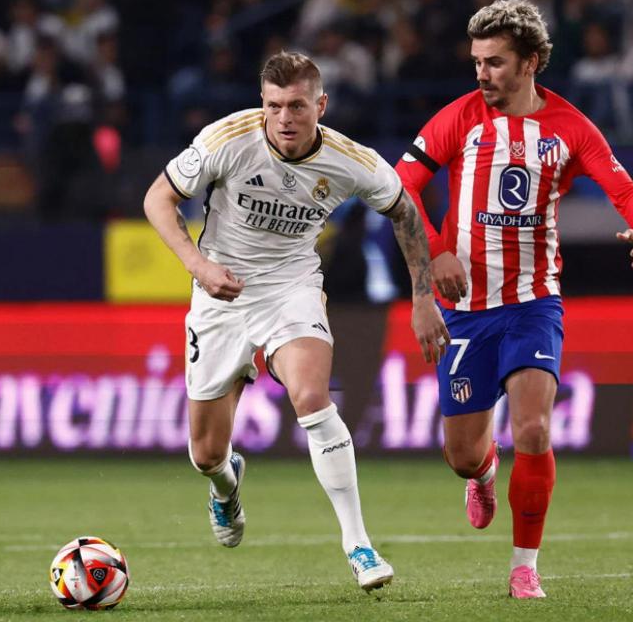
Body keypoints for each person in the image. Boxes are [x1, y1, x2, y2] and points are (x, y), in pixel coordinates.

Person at [144, 51, 449, 592]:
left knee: (312, 398)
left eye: (297, 106)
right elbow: (158, 198)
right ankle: (225, 486)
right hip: (219, 294)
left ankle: (358, 544)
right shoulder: (227, 139)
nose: (284, 117)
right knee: (206, 453)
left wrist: (422, 298)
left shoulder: (350, 160)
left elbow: (404, 210)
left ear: (320, 105)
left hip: (291, 287)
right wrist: (199, 264)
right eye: (274, 105)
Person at [395, 0, 633, 599]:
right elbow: (401, 183)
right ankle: (483, 475)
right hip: (467, 308)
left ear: (531, 62)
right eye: (477, 62)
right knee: (462, 454)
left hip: (533, 301)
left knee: (535, 430)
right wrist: (437, 250)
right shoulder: (459, 118)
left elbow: (623, 187)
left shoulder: (569, 127)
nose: (482, 74)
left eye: (495, 62)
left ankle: (525, 566)